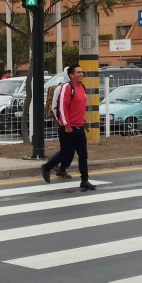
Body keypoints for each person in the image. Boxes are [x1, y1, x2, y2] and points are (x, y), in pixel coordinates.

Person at [41, 64, 95, 192]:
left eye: (82, 72)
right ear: (71, 75)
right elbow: (61, 107)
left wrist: (82, 122)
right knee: (65, 153)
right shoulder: (66, 87)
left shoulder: (82, 87)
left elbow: (79, 108)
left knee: (83, 155)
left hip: (79, 127)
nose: (81, 74)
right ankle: (47, 167)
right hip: (68, 128)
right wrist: (66, 125)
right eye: (78, 72)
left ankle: (84, 181)